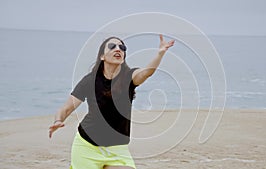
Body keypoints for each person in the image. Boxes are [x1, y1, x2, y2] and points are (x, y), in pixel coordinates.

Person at [49, 34, 175, 169]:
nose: (118, 49)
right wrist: (58, 120)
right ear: (102, 56)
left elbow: (146, 73)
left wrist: (160, 54)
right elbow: (66, 108)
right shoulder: (90, 81)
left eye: (122, 47)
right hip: (87, 146)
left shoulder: (129, 77)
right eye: (112, 46)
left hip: (117, 148)